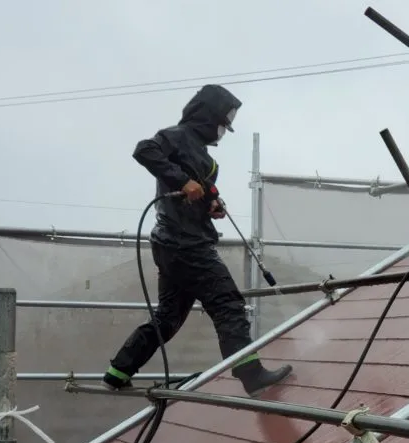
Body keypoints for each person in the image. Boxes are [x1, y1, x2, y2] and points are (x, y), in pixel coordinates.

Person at [102, 84, 292, 397]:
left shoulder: (201, 154)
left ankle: (117, 371)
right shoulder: (176, 136)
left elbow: (193, 192)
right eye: (222, 124)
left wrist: (211, 204)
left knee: (168, 317)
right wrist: (184, 181)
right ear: (207, 117)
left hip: (172, 244)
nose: (223, 132)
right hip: (187, 245)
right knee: (228, 304)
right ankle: (251, 374)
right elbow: (143, 150)